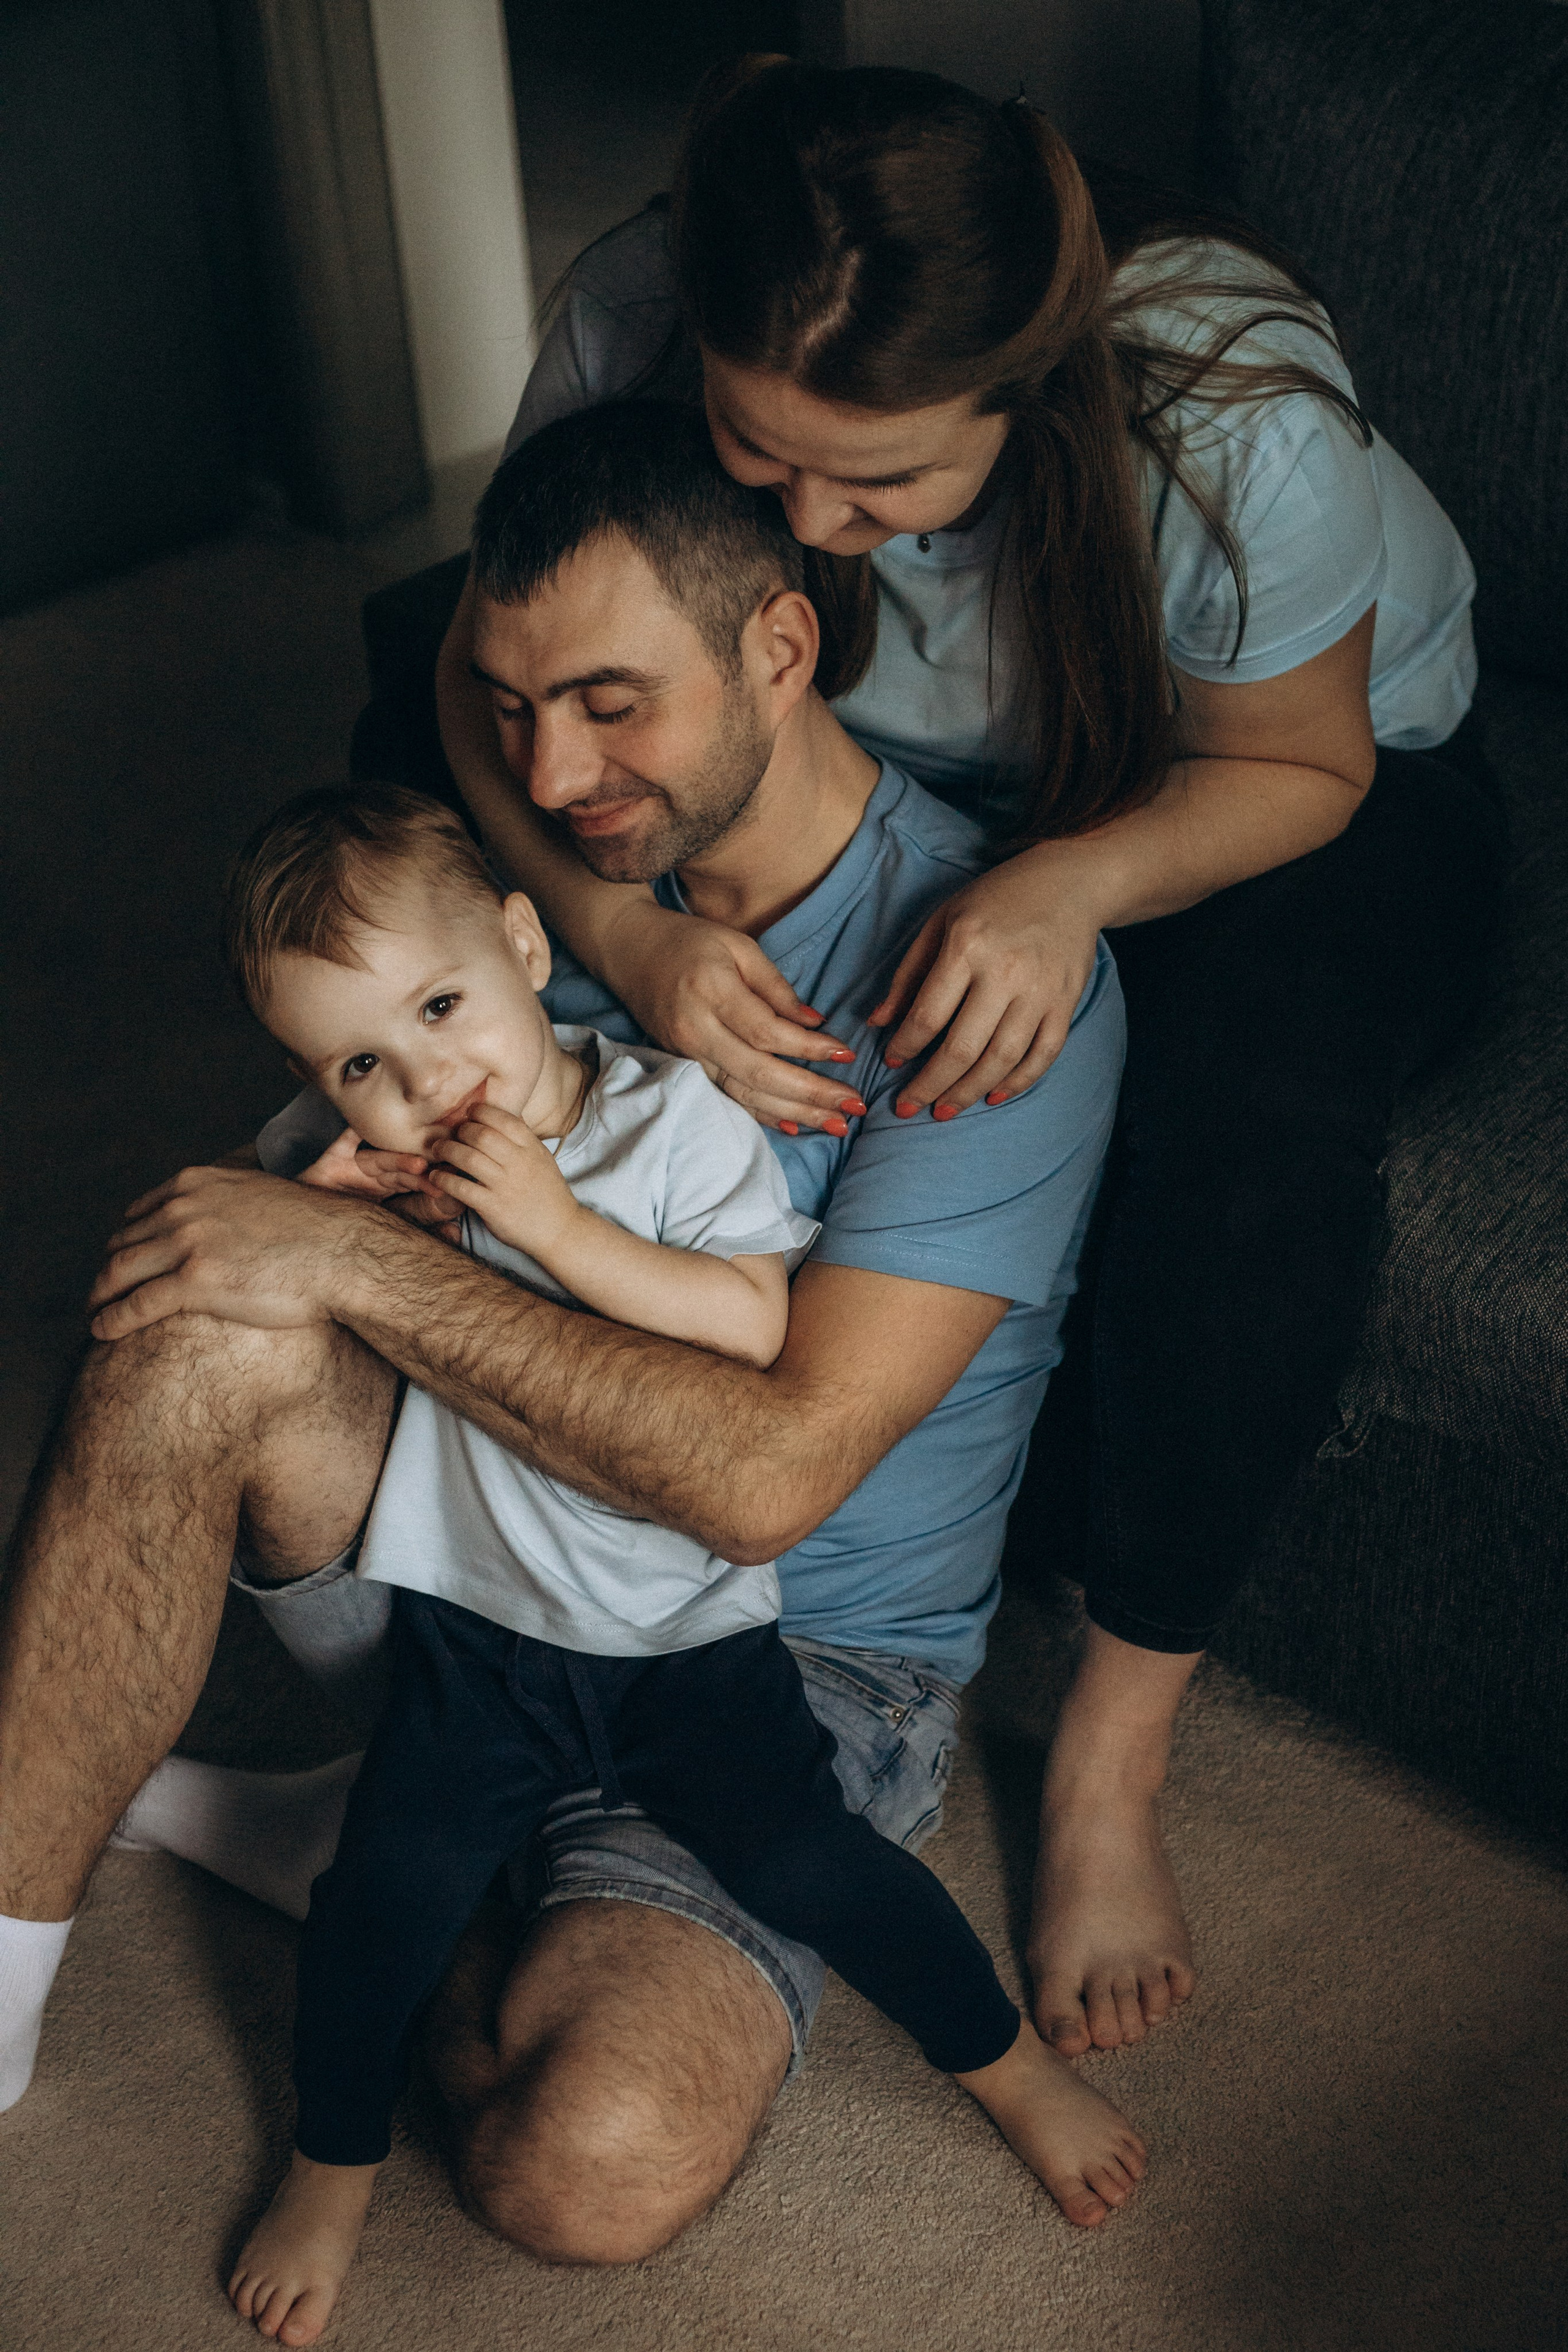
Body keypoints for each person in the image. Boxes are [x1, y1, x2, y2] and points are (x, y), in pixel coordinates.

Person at [431, 60, 1504, 2060]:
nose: (817, 525)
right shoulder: (634, 309)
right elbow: (490, 635)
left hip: (1250, 784)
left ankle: (1108, 1746)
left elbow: (1306, 764)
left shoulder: (1235, 430)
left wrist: (1064, 891)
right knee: (413, 782)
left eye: (888, 485)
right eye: (761, 460)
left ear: (1021, 392)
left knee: (1243, 1116)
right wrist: (623, 932)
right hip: (888, 752)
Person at [0, 402, 1132, 2260]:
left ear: (779, 644)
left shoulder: (976, 985)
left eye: (612, 703)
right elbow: (358, 1049)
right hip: (484, 1580)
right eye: (514, 706)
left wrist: (357, 1263)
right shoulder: (525, 894)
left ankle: (397, 1849)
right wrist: (307, 1208)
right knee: (197, 1307)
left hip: (778, 1648)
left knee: (577, 2167)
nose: (555, 762)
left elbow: (765, 1481)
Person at [216, 778, 1136, 2344]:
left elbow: (755, 1328)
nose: (423, 1079)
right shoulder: (386, 1163)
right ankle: (331, 2158)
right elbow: (279, 1267)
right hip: (479, 1641)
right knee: (382, 1897)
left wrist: (555, 1230)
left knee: (811, 1865)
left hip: (685, 1650)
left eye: (442, 1008)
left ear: (523, 943)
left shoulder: (670, 1119)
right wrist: (328, 1221)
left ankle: (1003, 2064)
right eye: (359, 1062)